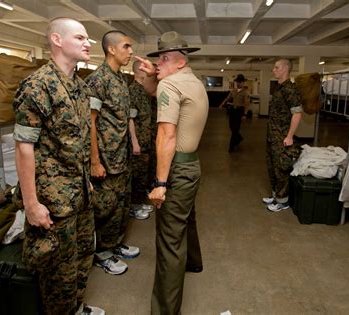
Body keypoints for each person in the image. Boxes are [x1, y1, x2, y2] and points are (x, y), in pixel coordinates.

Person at [12, 18, 104, 315]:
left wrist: (86, 179)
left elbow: (74, 141)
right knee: (57, 273)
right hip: (54, 202)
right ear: (57, 40)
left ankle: (76, 309)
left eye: (87, 38)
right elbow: (24, 148)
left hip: (79, 195)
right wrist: (31, 204)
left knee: (80, 259)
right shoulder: (39, 86)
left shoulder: (78, 86)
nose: (88, 43)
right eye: (80, 38)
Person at [135, 31, 209, 315]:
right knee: (186, 218)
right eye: (157, 59)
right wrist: (153, 73)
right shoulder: (192, 80)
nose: (158, 64)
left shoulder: (171, 85)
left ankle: (165, 311)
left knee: (169, 238)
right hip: (192, 166)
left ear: (179, 61)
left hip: (176, 168)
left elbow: (166, 134)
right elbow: (156, 89)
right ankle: (194, 261)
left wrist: (160, 183)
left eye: (164, 59)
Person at [85, 30, 139, 275]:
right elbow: (90, 123)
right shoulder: (98, 80)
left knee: (119, 204)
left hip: (121, 156)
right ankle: (101, 252)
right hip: (105, 159)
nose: (131, 52)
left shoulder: (120, 79)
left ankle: (114, 244)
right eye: (126, 46)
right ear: (111, 49)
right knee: (105, 207)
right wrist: (95, 161)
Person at [263, 58, 303, 212]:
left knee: (281, 168)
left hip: (282, 137)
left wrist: (290, 136)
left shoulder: (290, 89)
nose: (273, 70)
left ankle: (283, 202)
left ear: (285, 69)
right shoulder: (279, 88)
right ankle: (275, 196)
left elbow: (297, 113)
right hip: (272, 136)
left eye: (276, 67)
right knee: (272, 166)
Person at [128, 59, 158, 220]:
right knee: (137, 175)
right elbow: (130, 119)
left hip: (146, 140)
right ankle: (134, 206)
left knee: (143, 175)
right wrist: (134, 142)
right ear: (140, 71)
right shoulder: (133, 91)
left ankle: (139, 201)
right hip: (138, 141)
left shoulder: (144, 90)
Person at [219, 74, 250, 152]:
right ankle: (239, 138)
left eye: (240, 82)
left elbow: (247, 104)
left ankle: (231, 146)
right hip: (233, 111)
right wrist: (222, 104)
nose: (239, 83)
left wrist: (245, 114)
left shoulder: (246, 92)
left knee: (235, 129)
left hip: (240, 111)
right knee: (231, 127)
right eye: (238, 82)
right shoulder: (234, 90)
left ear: (243, 83)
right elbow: (228, 98)